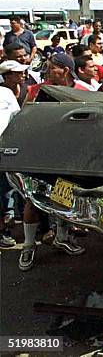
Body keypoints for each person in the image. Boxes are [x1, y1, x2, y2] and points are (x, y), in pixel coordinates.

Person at [20, 53, 87, 270]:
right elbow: (24, 120)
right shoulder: (36, 90)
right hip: (39, 155)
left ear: (65, 70)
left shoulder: (83, 92)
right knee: (32, 199)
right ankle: (29, 245)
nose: (47, 71)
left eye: (51, 68)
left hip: (69, 156)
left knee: (64, 194)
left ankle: (62, 236)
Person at [0, 60, 26, 248]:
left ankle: (6, 221)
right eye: (17, 73)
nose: (22, 75)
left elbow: (16, 118)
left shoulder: (7, 93)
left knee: (6, 187)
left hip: (5, 148)